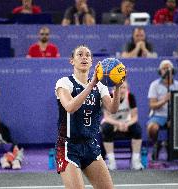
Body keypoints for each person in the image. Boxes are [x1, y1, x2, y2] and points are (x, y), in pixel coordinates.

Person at [55, 45, 124, 188]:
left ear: (92, 61)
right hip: (69, 146)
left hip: (90, 144)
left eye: (88, 55)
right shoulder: (64, 83)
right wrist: (91, 84)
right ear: (72, 61)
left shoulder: (101, 86)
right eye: (79, 54)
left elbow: (113, 109)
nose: (84, 57)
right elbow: (70, 107)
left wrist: (117, 87)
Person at [101, 80, 144, 170]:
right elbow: (107, 117)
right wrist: (118, 124)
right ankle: (111, 162)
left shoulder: (130, 97)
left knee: (137, 129)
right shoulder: (108, 97)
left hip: (126, 124)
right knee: (105, 128)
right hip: (113, 123)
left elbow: (135, 117)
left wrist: (126, 124)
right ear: (114, 88)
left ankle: (135, 161)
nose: (122, 90)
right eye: (120, 87)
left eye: (124, 87)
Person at [147, 60, 178, 160]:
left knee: (176, 126)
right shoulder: (154, 85)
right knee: (152, 128)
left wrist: (173, 118)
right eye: (164, 68)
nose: (167, 70)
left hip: (173, 115)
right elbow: (152, 105)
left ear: (173, 70)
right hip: (158, 115)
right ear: (160, 71)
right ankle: (156, 144)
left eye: (169, 68)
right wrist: (164, 100)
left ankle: (170, 146)